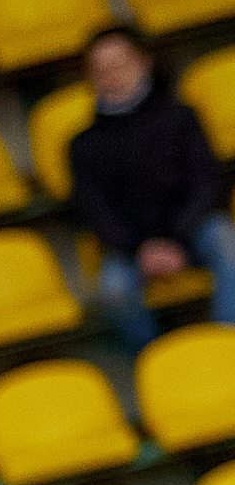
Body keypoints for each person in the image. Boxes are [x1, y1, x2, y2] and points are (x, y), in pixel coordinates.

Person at [67, 28, 235, 347]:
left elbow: (205, 182)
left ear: (142, 61)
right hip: (130, 250)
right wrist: (140, 249)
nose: (112, 74)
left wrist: (176, 238)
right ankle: (155, 361)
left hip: (194, 231)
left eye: (120, 63)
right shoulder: (83, 144)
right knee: (113, 290)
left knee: (229, 241)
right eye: (101, 68)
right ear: (90, 77)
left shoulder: (182, 118)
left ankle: (228, 348)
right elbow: (94, 210)